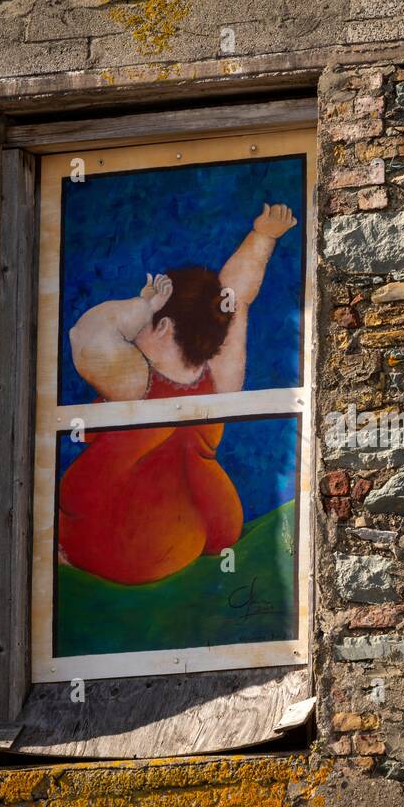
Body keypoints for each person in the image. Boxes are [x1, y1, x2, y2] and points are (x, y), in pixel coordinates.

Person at [57, 203, 298, 585]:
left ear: (163, 326)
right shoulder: (218, 379)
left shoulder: (137, 379)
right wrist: (263, 237)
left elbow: (83, 339)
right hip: (205, 526)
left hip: (128, 540)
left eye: (145, 324)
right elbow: (236, 297)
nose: (136, 332)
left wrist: (140, 305)